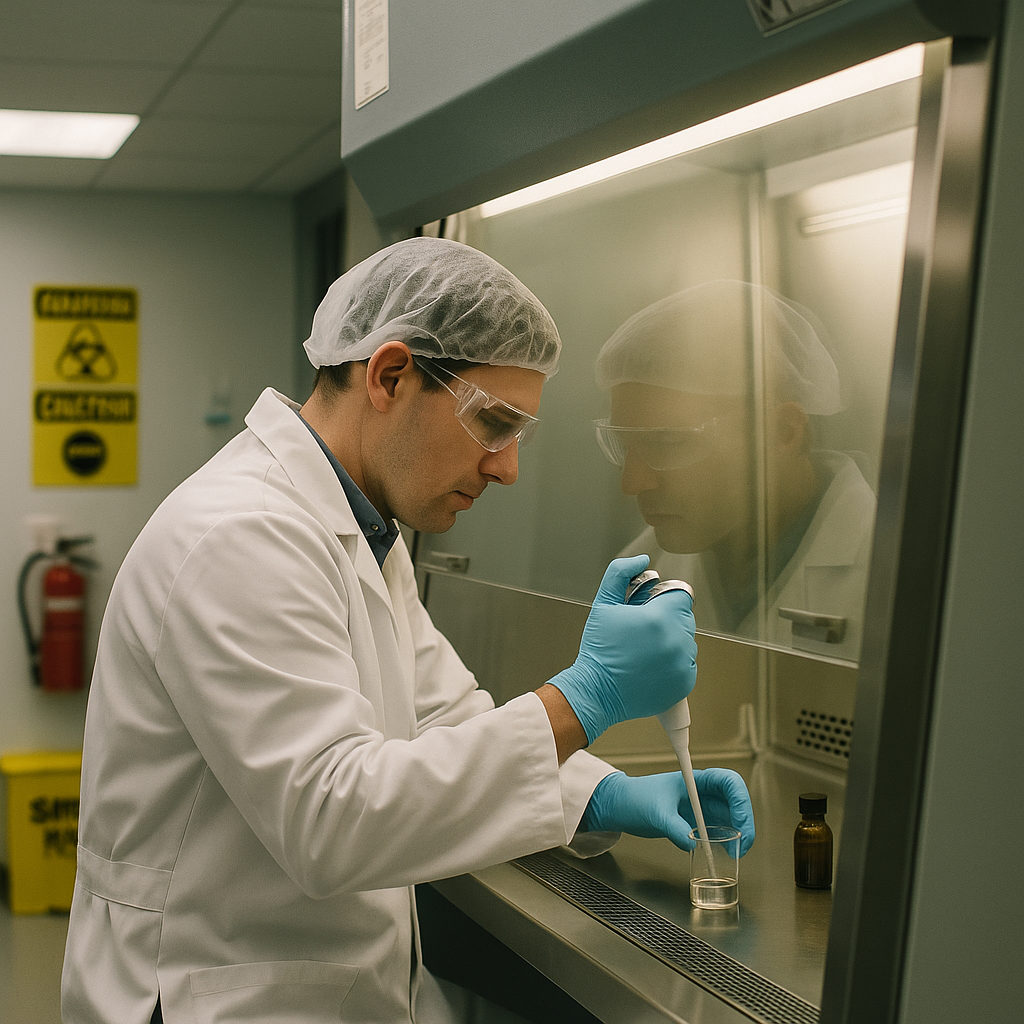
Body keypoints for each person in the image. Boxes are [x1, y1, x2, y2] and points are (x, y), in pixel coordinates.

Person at [62, 238, 754, 1024]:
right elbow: (330, 820)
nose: (507, 468)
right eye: (493, 423)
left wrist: (602, 795)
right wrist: (584, 700)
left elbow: (443, 718)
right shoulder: (241, 534)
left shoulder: (360, 527)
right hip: (210, 995)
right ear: (390, 376)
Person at [595, 280, 876, 660]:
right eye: (625, 445)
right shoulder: (645, 567)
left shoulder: (888, 571)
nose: (632, 483)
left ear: (783, 431)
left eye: (668, 441)